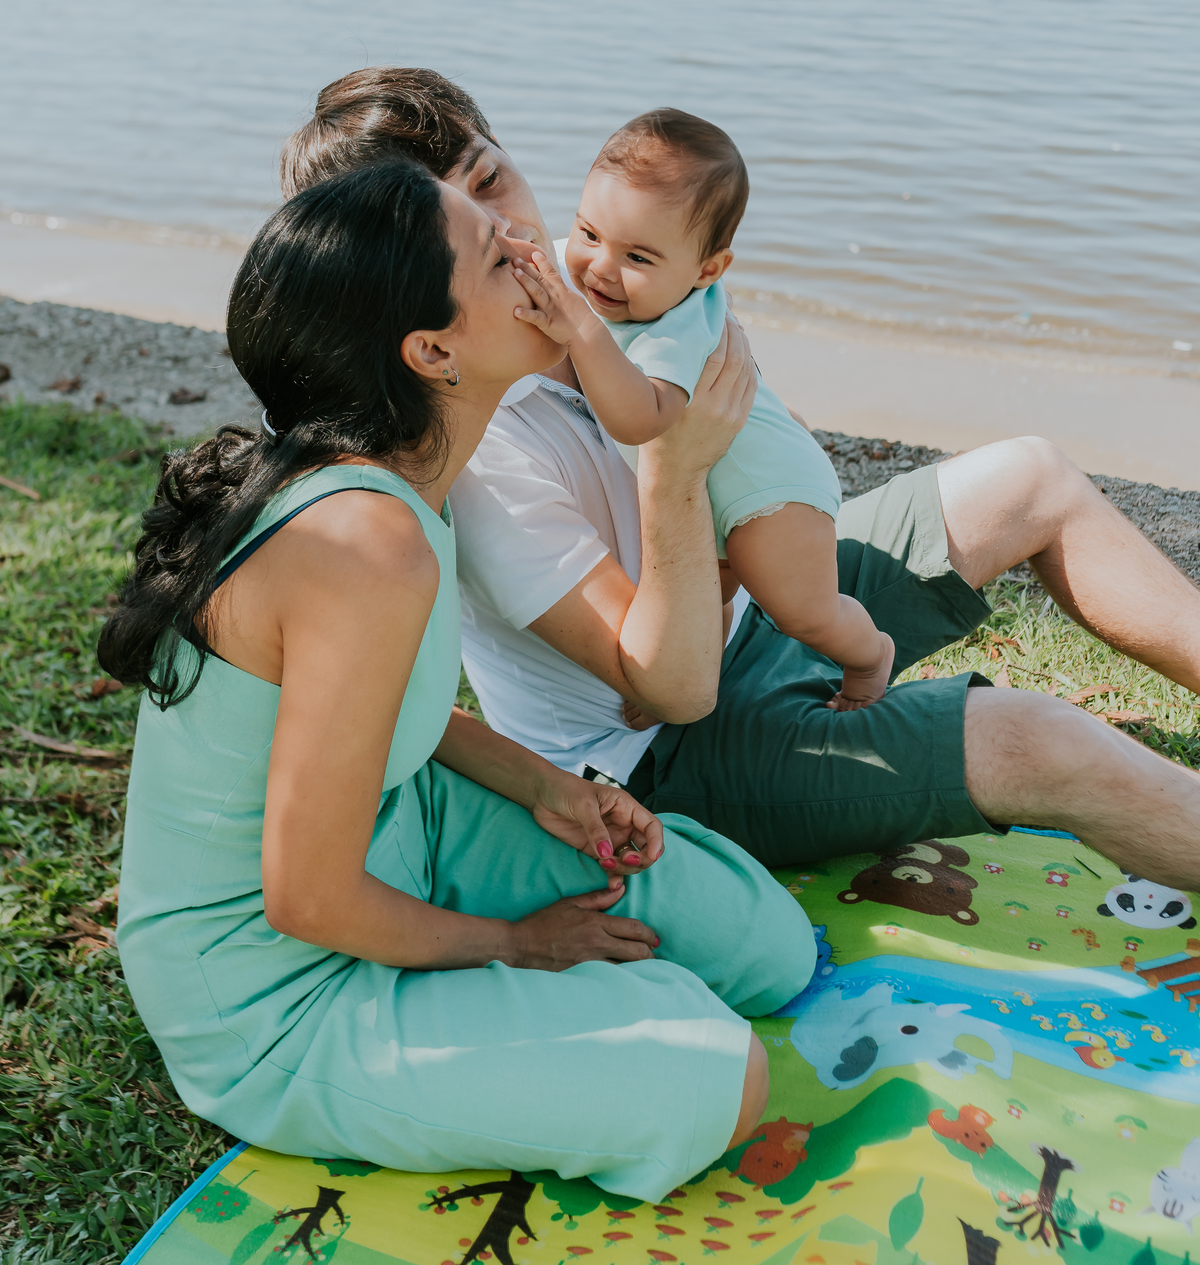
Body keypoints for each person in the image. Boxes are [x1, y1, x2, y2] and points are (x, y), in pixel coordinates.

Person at [280, 68, 1200, 884]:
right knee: (1036, 739)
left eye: (491, 180)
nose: (506, 232)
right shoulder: (470, 448)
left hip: (761, 612)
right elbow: (667, 687)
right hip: (659, 754)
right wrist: (676, 472)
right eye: (455, 228)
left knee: (1031, 477)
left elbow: (749, 427)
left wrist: (743, 534)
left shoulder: (606, 270)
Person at [107, 158, 816, 1199]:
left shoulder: (402, 473)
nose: (535, 253)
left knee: (765, 946)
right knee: (719, 1075)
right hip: (279, 991)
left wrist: (546, 786)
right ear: (432, 351)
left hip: (407, 826)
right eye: (495, 255)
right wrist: (515, 947)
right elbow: (304, 897)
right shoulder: (362, 539)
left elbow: (384, 711)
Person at [507, 106, 894, 712]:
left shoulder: (676, 330)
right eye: (589, 234)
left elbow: (642, 420)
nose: (600, 268)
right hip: (718, 487)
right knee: (703, 593)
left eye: (638, 258)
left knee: (802, 611)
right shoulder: (649, 298)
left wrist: (578, 328)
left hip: (772, 494)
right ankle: (685, 673)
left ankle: (870, 659)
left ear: (707, 270)